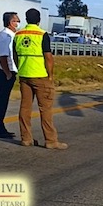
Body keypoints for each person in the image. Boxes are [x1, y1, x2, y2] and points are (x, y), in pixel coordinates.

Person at [13, 8, 68, 150]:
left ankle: (26, 138)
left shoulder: (18, 34)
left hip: (24, 75)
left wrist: (21, 68)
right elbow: (48, 57)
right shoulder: (42, 34)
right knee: (46, 109)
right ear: (39, 20)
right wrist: (50, 75)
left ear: (26, 19)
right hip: (40, 75)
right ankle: (51, 140)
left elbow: (15, 56)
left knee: (25, 108)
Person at [0, 11, 19, 139]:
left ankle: (0, 127)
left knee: (4, 100)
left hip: (8, 71)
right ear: (10, 22)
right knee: (1, 101)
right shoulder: (5, 36)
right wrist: (8, 73)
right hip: (4, 72)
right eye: (16, 21)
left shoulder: (12, 35)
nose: (18, 23)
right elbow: (3, 56)